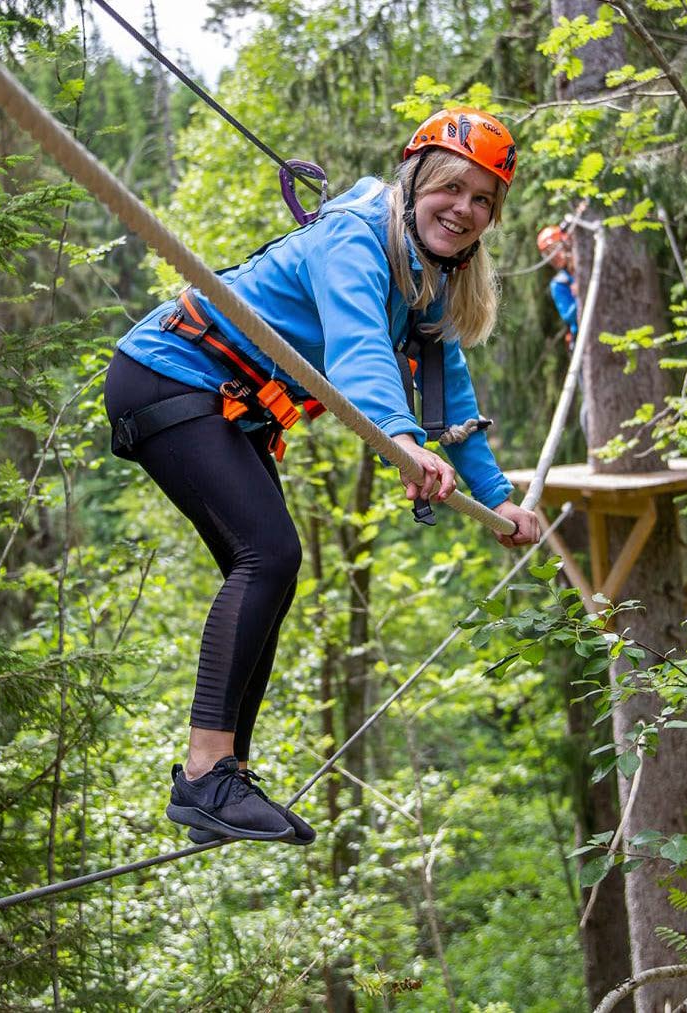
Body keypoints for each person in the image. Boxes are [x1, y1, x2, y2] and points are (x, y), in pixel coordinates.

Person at [103, 107, 546, 845]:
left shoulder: (431, 276)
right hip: (169, 372)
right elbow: (358, 347)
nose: (464, 209)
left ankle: (220, 780)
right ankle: (207, 775)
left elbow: (452, 395)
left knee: (272, 569)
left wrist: (498, 496)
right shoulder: (355, 235)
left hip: (223, 401)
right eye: (451, 187)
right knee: (269, 554)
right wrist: (400, 440)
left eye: (482, 201)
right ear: (415, 181)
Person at [537, 223, 578, 345]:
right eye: (549, 254)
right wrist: (579, 296)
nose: (555, 256)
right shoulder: (559, 283)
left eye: (555, 249)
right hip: (582, 334)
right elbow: (568, 315)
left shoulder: (585, 265)